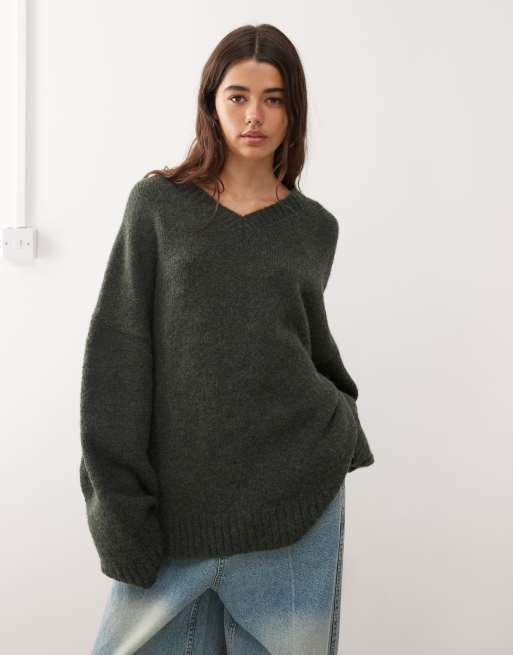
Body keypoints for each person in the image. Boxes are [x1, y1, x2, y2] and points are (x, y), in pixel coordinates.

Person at [80, 23, 374, 655]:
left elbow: (308, 349)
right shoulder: (157, 205)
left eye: (274, 99)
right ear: (211, 102)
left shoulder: (315, 227)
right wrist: (118, 508)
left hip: (294, 499)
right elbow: (116, 359)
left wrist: (341, 419)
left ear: (293, 111)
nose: (254, 115)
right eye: (238, 96)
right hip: (176, 508)